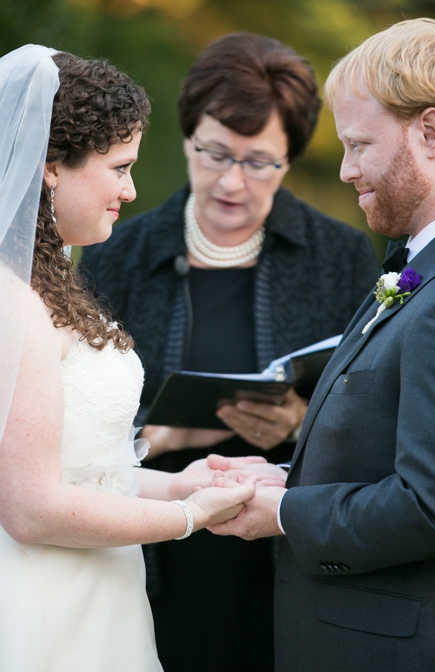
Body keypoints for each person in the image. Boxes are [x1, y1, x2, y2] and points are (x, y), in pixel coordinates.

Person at [77, 33, 380, 671]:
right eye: (214, 153)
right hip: (159, 543)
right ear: (187, 138)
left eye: (258, 161)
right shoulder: (116, 255)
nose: (231, 181)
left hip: (286, 544)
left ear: (290, 160)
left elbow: (373, 410)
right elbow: (78, 421)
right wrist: (160, 432)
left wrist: (299, 421)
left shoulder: (343, 256)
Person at [0, 45, 276, 672]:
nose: (129, 189)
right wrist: (185, 516)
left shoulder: (50, 283)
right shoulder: (12, 302)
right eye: (119, 167)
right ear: (50, 168)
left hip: (101, 593)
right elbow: (28, 506)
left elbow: (84, 470)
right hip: (44, 603)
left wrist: (182, 482)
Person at [210, 18, 435, 671]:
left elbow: (430, 505)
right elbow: (378, 453)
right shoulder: (410, 267)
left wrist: (285, 512)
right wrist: (285, 476)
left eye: (359, 145)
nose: (344, 170)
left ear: (431, 133)